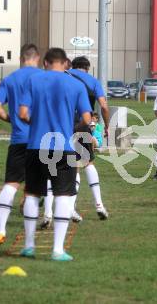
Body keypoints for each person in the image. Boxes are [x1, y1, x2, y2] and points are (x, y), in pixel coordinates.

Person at [18, 47, 92, 261]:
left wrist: (35, 124)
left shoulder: (34, 80)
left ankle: (29, 246)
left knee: (32, 193)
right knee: (63, 195)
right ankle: (58, 250)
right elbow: (87, 119)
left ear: (46, 63)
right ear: (66, 63)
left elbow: (23, 113)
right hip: (63, 147)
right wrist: (71, 128)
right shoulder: (77, 84)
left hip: (35, 145)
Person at [40, 56, 110, 229]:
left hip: (59, 125)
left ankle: (49, 213)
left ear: (71, 66)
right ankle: (98, 205)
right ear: (87, 68)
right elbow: (104, 105)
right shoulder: (93, 81)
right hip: (81, 125)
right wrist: (107, 126)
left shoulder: (62, 76)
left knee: (54, 167)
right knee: (86, 164)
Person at [0, 44, 42, 244]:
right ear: (37, 58)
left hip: (18, 140)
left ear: (21, 58)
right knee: (32, 191)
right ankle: (29, 239)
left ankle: (0, 230)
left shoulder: (10, 79)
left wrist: (10, 119)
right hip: (39, 141)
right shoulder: (43, 78)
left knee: (10, 184)